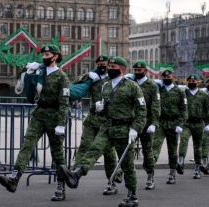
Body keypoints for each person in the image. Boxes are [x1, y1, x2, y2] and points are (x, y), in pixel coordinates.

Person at [59, 56, 147, 207]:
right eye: (109, 66)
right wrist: (101, 107)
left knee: (127, 164)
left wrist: (136, 129)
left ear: (122, 69)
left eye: (114, 66)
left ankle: (132, 195)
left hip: (125, 129)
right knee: (93, 149)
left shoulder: (132, 86)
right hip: (107, 126)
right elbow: (106, 106)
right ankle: (76, 174)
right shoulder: (105, 86)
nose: (110, 68)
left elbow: (141, 109)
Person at [0, 44, 70, 201]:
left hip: (54, 116)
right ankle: (14, 179)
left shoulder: (62, 77)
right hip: (38, 114)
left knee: (57, 153)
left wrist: (61, 124)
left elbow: (64, 102)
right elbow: (20, 76)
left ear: (56, 56)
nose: (44, 57)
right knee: (27, 145)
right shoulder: (40, 71)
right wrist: (27, 68)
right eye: (43, 55)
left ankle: (60, 187)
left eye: (47, 55)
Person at [72, 55, 119, 196]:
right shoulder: (93, 76)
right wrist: (88, 75)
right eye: (99, 64)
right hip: (93, 118)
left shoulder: (114, 79)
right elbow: (76, 84)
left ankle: (112, 181)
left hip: (107, 119)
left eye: (105, 64)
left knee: (108, 152)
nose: (102, 67)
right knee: (84, 145)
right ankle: (74, 174)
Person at [152, 67, 188, 184]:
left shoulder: (179, 92)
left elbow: (184, 110)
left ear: (173, 77)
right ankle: (150, 172)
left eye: (168, 77)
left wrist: (180, 124)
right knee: (155, 147)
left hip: (173, 124)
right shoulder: (159, 90)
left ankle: (172, 172)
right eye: (164, 77)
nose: (166, 79)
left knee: (172, 150)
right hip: (161, 123)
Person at [130, 60, 161, 190]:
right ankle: (126, 174)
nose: (137, 72)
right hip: (132, 122)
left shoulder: (152, 86)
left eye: (140, 70)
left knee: (147, 151)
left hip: (147, 122)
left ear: (145, 71)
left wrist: (154, 123)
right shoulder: (130, 84)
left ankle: (150, 176)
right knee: (128, 149)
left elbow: (156, 106)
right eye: (135, 70)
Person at [177, 74, 209, 179]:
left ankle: (197, 168)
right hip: (186, 123)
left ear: (198, 82)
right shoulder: (184, 93)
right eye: (190, 81)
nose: (192, 82)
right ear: (187, 82)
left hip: (199, 123)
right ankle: (181, 161)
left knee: (198, 146)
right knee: (183, 140)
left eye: (194, 81)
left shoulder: (204, 95)